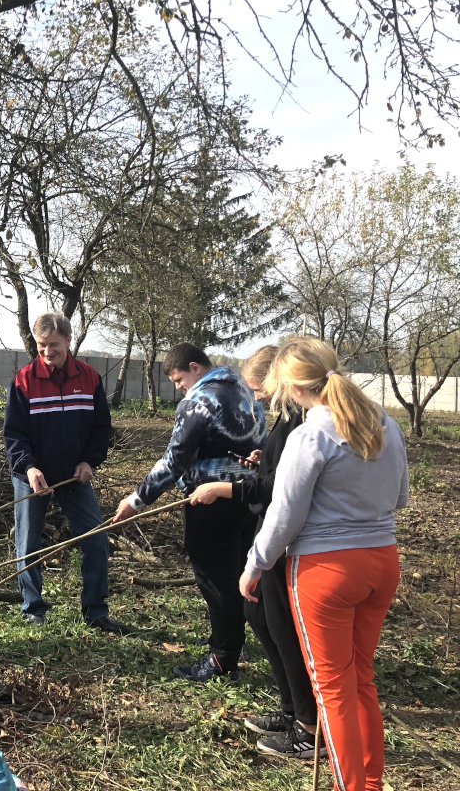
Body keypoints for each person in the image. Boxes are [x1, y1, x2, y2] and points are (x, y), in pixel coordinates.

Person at [241, 337, 408, 791]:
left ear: (294, 388)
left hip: (326, 572)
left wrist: (256, 564)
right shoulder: (385, 424)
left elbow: (284, 513)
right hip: (382, 561)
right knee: (360, 679)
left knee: (332, 688)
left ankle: (350, 786)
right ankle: (370, 780)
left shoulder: (310, 434)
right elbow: (399, 497)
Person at [189, 346, 321, 759]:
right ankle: (292, 710)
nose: (256, 399)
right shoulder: (289, 418)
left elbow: (281, 490)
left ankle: (309, 726)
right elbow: (278, 471)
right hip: (278, 533)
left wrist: (222, 488)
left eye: (258, 389)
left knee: (277, 622)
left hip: (291, 538)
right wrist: (265, 459)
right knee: (259, 614)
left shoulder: (307, 421)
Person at [112, 343, 264, 680]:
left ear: (195, 367)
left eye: (179, 378)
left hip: (210, 501)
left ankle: (223, 661)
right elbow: (260, 442)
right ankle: (229, 640)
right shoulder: (243, 390)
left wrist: (137, 499)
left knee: (214, 578)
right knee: (237, 572)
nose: (179, 386)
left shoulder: (199, 400)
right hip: (247, 498)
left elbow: (175, 459)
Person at [3, 313, 124, 633]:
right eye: (41, 345)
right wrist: (28, 468)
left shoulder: (89, 378)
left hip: (74, 476)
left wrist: (90, 461)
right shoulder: (23, 380)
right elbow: (14, 434)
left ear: (69, 341)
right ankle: (33, 608)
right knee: (28, 544)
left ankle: (96, 610)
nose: (46, 351)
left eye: (53, 345)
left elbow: (101, 428)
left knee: (95, 539)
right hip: (32, 476)